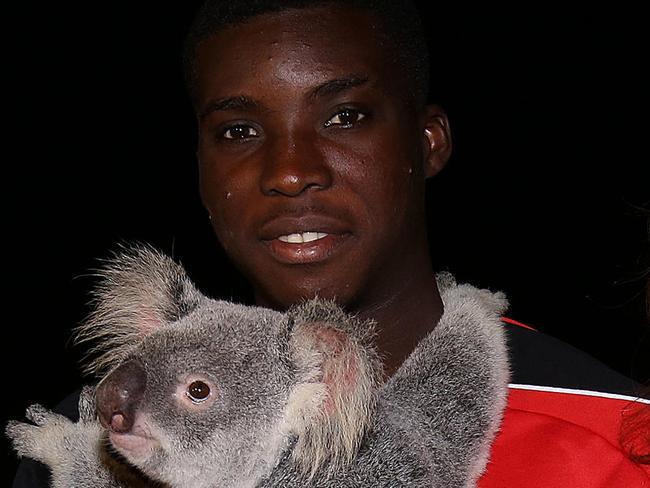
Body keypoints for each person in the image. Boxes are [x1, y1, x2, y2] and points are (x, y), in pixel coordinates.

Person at [13, 1, 649, 486]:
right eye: (238, 130)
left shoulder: (615, 440)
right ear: (200, 167)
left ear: (428, 142)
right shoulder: (103, 437)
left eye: (344, 116)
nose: (290, 171)